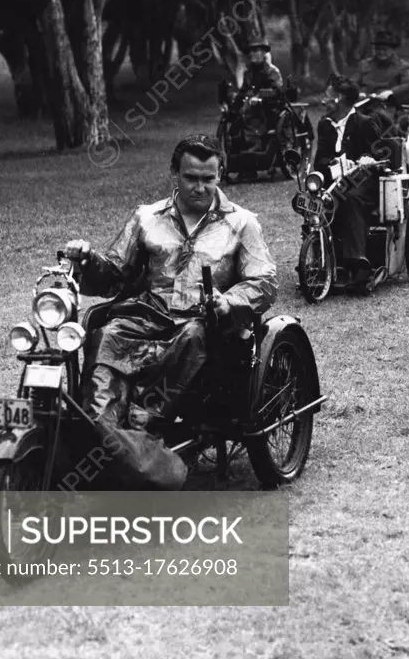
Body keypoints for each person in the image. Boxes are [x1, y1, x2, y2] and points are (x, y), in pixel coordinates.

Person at [61, 134, 279, 489]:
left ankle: (139, 429)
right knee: (107, 334)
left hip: (205, 322)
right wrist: (86, 259)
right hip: (148, 314)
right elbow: (115, 274)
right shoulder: (146, 217)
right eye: (191, 177)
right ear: (174, 175)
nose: (200, 187)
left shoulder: (242, 223)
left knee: (192, 336)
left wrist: (229, 300)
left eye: (209, 178)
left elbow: (265, 281)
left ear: (220, 175)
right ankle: (103, 425)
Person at [313, 75, 394, 287]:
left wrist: (368, 159)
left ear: (339, 98)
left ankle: (357, 261)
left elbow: (380, 155)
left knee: (349, 198)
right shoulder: (324, 125)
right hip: (334, 180)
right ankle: (318, 257)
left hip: (363, 182)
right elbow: (319, 160)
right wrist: (332, 164)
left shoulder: (364, 123)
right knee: (313, 198)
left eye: (327, 95)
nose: (324, 100)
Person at [358, 30, 409, 110]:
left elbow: (408, 85)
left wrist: (391, 92)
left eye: (384, 49)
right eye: (378, 49)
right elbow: (353, 82)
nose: (381, 52)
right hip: (365, 103)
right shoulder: (365, 64)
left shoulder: (402, 66)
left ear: (393, 50)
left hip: (390, 105)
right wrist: (358, 92)